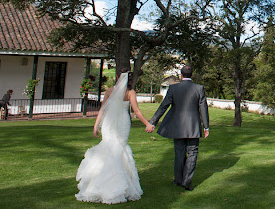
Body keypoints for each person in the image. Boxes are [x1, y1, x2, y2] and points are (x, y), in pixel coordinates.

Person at [75, 72, 153, 204]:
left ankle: (98, 183)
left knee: (109, 148)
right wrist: (147, 123)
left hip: (109, 122)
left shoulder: (110, 91)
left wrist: (96, 125)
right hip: (122, 121)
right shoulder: (130, 93)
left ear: (117, 78)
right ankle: (118, 186)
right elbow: (137, 111)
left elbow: (102, 110)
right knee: (119, 149)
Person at [148, 65, 209, 191]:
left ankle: (179, 180)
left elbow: (164, 106)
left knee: (179, 152)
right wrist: (206, 126)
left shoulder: (173, 88)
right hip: (193, 126)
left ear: (181, 75)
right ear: (191, 75)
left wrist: (153, 121)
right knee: (193, 152)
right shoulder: (199, 88)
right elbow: (203, 108)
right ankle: (187, 181)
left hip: (178, 126)